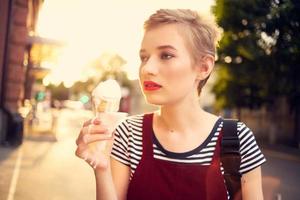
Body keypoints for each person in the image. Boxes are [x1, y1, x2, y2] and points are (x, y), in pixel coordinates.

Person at [75, 9, 266, 200]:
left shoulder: (237, 140)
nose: (147, 69)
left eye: (166, 55)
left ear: (204, 67)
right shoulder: (128, 133)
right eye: (144, 57)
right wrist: (102, 169)